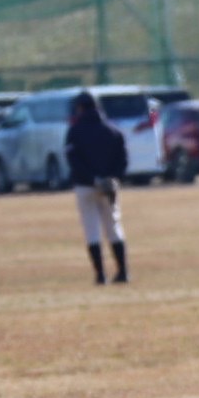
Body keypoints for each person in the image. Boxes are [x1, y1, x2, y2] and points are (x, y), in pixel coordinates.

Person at [63, 90, 130, 284]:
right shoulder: (113, 131)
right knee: (114, 227)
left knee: (92, 229)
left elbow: (74, 160)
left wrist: (92, 178)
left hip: (85, 186)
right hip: (110, 187)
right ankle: (123, 271)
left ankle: (100, 275)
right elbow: (123, 159)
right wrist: (114, 177)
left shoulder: (74, 131)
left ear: (80, 108)